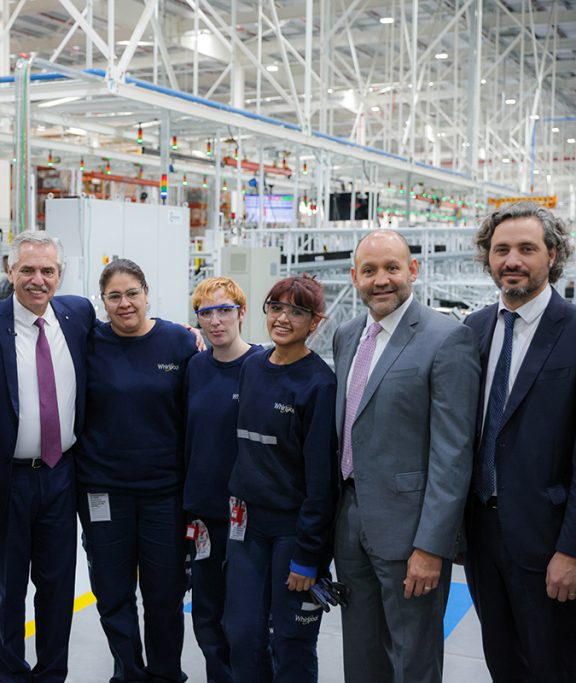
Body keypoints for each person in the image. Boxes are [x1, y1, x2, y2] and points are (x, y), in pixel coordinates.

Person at [331, 230, 479, 683]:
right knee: (360, 652)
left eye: (392, 268)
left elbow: (453, 454)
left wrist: (431, 546)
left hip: (410, 531)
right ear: (355, 277)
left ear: (413, 271)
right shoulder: (346, 334)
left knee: (412, 657)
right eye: (370, 270)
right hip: (351, 520)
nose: (381, 280)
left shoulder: (447, 338)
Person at [0, 231, 95, 683]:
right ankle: (12, 675)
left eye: (47, 271)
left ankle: (53, 674)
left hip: (61, 475)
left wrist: (189, 335)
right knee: (8, 590)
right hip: (6, 479)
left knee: (57, 588)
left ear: (60, 276)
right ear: (10, 271)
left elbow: (129, 332)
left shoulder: (77, 316)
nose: (38, 279)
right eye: (28, 269)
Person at [463, 202, 576, 682]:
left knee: (554, 666)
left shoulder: (572, 330)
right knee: (502, 662)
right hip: (480, 538)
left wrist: (571, 551)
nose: (512, 260)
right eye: (501, 249)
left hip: (549, 542)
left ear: (552, 255)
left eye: (526, 249)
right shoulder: (473, 330)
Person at [76, 258, 198, 682]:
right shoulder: (89, 342)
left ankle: (166, 674)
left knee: (164, 595)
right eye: (114, 296)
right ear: (103, 301)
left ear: (147, 293)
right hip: (102, 492)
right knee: (112, 594)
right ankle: (128, 673)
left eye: (132, 293)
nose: (124, 303)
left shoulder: (179, 343)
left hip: (164, 492)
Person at [224, 275, 338, 683]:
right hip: (247, 526)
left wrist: (309, 555)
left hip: (293, 530)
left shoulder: (320, 383)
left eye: (297, 311)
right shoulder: (252, 367)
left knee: (290, 640)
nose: (283, 318)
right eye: (275, 307)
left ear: (315, 322)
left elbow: (322, 480)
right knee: (242, 633)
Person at [184, 277, 261, 683]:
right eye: (206, 312)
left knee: (246, 621)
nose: (216, 320)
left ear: (242, 313)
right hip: (204, 516)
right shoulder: (195, 366)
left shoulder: (263, 366)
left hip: (250, 519)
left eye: (225, 310)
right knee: (207, 616)